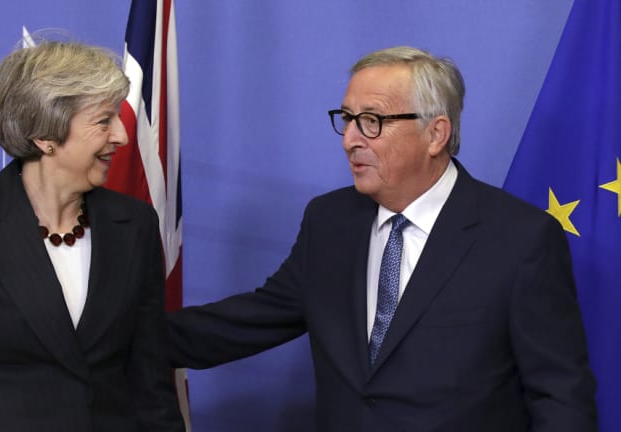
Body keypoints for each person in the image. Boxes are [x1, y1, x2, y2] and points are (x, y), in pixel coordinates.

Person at [166, 46, 598, 431]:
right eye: (347, 120)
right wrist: (117, 333)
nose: (350, 140)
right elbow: (252, 319)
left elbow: (560, 395)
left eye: (371, 121)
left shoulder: (520, 238)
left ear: (436, 133)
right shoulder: (330, 221)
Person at [0, 38, 185, 432]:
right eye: (103, 121)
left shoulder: (135, 225)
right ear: (46, 135)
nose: (121, 137)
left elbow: (150, 380)